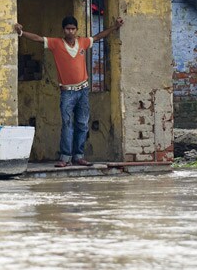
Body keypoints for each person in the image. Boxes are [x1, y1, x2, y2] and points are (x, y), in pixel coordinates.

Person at [14, 15, 124, 167]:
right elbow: (38, 38)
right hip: (67, 92)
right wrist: (21, 32)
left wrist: (115, 27)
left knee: (82, 124)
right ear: (63, 30)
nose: (70, 31)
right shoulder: (56, 43)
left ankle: (78, 156)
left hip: (83, 90)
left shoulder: (83, 42)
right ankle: (65, 157)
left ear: (76, 30)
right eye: (68, 29)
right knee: (67, 125)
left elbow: (98, 36)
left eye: (73, 29)